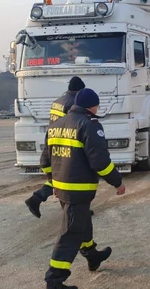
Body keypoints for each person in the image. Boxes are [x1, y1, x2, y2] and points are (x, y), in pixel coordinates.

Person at [43, 88, 125, 289]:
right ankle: (54, 279)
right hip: (78, 189)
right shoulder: (89, 125)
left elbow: (45, 160)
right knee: (71, 231)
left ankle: (92, 255)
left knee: (82, 221)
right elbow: (100, 162)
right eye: (97, 105)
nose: (98, 109)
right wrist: (117, 182)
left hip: (62, 188)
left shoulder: (56, 124)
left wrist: (52, 182)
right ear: (91, 106)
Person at [26, 76, 86, 218]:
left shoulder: (58, 101)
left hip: (52, 138)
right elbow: (73, 122)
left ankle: (41, 200)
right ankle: (39, 198)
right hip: (64, 140)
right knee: (67, 177)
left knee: (60, 176)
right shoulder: (72, 103)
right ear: (79, 90)